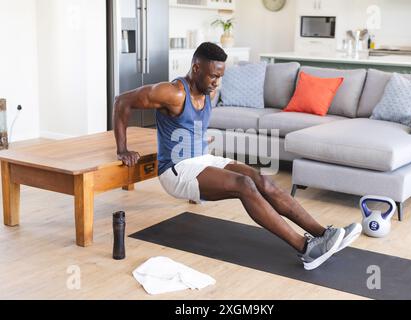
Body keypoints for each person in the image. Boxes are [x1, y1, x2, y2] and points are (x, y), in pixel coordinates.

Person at [113, 42, 362, 270]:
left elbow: (186, 124)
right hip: (176, 170)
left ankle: (322, 234)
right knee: (244, 185)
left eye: (220, 76)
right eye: (213, 75)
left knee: (260, 178)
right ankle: (306, 249)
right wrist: (123, 149)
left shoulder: (208, 91)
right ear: (196, 68)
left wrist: (198, 137)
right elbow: (122, 101)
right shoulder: (172, 92)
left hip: (202, 159)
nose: (216, 83)